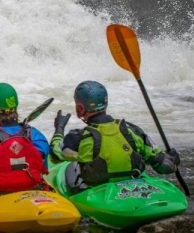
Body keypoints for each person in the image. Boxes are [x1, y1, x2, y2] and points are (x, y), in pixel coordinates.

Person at [50, 80, 181, 191]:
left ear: (80, 108)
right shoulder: (132, 130)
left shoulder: (77, 137)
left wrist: (59, 129)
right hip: (132, 188)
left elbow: (55, 155)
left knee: (68, 166)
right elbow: (164, 167)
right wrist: (173, 159)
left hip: (98, 192)